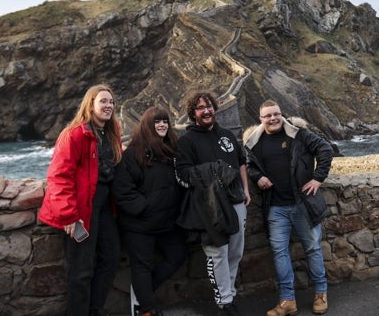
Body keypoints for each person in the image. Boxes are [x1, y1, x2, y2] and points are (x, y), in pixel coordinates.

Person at [38, 84, 122, 316]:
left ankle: (94, 310)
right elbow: (58, 176)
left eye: (111, 102)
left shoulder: (112, 132)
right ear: (91, 104)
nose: (108, 106)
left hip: (105, 208)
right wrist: (69, 216)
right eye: (103, 101)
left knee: (111, 257)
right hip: (81, 209)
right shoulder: (74, 134)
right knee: (80, 270)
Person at [244, 100, 334, 316]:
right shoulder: (253, 142)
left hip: (303, 203)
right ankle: (287, 301)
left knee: (312, 248)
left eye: (276, 114)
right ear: (261, 119)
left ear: (281, 114)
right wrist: (258, 177)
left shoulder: (299, 135)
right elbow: (249, 165)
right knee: (279, 252)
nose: (273, 118)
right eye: (268, 116)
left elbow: (325, 149)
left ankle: (321, 294)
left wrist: (317, 178)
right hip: (275, 207)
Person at [175, 91, 250, 316]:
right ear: (193, 113)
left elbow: (241, 162)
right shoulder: (186, 141)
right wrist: (212, 170)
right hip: (210, 207)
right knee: (217, 254)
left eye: (209, 106)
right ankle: (224, 302)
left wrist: (246, 189)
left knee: (235, 252)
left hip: (236, 201)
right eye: (200, 108)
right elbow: (182, 174)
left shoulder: (227, 134)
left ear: (215, 109)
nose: (206, 111)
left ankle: (230, 295)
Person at [112, 107, 187, 316]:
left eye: (165, 121)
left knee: (178, 255)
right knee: (141, 266)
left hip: (167, 222)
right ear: (147, 125)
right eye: (157, 121)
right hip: (140, 225)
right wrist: (145, 208)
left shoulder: (171, 149)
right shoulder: (133, 153)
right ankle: (146, 310)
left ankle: (141, 295)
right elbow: (123, 191)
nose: (162, 125)